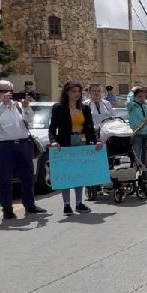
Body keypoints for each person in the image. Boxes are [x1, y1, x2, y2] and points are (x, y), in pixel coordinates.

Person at [0, 80, 48, 221]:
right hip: (4, 146)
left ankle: (30, 205)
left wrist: (25, 107)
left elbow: (29, 120)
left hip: (23, 145)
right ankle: (7, 209)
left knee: (28, 177)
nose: (6, 94)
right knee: (5, 179)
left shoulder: (17, 106)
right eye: (2, 91)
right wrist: (3, 105)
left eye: (9, 91)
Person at [48, 81, 101, 215]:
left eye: (78, 91)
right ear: (66, 92)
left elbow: (89, 128)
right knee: (66, 175)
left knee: (79, 174)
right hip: (65, 143)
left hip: (81, 141)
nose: (76, 94)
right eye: (73, 91)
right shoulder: (58, 108)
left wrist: (96, 142)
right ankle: (66, 205)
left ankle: (79, 203)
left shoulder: (85, 108)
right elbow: (52, 128)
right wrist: (53, 141)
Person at [126, 85, 147, 172]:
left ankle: (145, 180)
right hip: (137, 134)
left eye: (142, 96)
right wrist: (132, 90)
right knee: (136, 157)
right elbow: (128, 101)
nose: (141, 98)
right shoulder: (132, 106)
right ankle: (134, 177)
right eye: (139, 96)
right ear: (134, 98)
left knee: (145, 158)